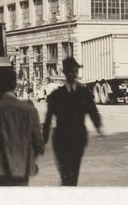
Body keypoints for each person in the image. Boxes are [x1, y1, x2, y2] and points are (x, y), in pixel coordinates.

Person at [0, 68, 45, 186]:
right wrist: (26, 159)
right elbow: (39, 143)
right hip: (22, 171)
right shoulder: (30, 110)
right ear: (15, 84)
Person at [43, 56, 102, 186]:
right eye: (71, 71)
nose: (74, 74)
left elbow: (92, 111)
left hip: (78, 138)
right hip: (61, 139)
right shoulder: (56, 95)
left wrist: (98, 126)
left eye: (76, 71)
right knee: (65, 172)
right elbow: (48, 118)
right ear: (65, 73)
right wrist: (44, 138)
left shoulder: (84, 93)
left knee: (74, 171)